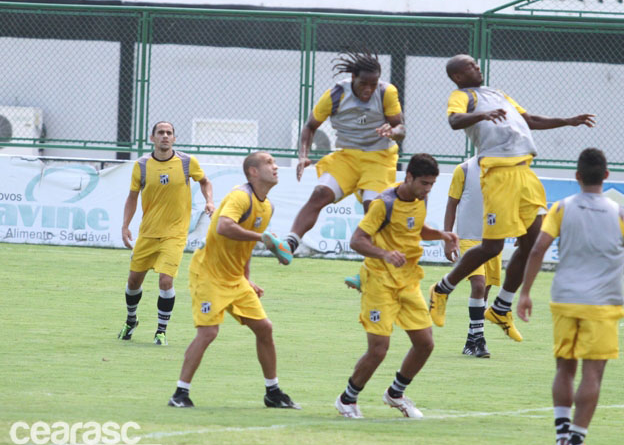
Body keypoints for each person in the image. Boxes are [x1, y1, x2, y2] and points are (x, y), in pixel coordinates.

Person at [428, 54, 595, 344]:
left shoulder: (498, 93)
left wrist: (567, 121)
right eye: (470, 65)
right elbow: (454, 121)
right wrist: (481, 115)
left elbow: (529, 120)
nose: (477, 67)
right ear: (457, 75)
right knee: (492, 247)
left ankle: (502, 308)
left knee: (536, 241)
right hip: (499, 173)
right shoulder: (461, 96)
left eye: (476, 64)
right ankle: (442, 289)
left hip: (525, 172)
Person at [516, 148, 624, 445]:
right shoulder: (621, 214)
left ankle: (562, 437)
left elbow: (537, 250)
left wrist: (525, 292)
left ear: (576, 176)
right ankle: (576, 441)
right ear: (606, 175)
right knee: (593, 373)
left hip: (565, 299)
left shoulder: (561, 208)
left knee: (564, 367)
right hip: (602, 304)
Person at [168, 151, 300, 409]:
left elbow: (245, 246)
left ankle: (272, 392)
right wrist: (261, 238)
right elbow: (224, 227)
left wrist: (246, 279)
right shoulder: (241, 196)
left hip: (234, 278)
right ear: (253, 171)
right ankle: (180, 394)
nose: (276, 167)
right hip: (208, 275)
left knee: (265, 328)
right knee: (208, 333)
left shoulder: (267, 206)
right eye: (270, 163)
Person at [334, 154, 458, 419]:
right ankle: (347, 399)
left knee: (425, 343)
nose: (428, 190)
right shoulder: (383, 204)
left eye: (432, 185)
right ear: (409, 177)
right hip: (379, 281)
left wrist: (442, 235)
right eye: (424, 183)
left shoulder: (419, 199)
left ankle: (395, 393)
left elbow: (415, 229)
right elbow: (357, 241)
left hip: (408, 281)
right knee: (379, 349)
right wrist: (385, 253)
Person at [283, 51, 406, 291]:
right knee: (320, 193)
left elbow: (400, 127)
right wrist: (302, 156)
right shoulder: (336, 94)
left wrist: (393, 132)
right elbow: (310, 127)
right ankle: (289, 244)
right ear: (353, 78)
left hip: (379, 158)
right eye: (363, 84)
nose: (369, 89)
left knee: (374, 210)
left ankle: (370, 271)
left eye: (373, 83)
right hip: (347, 156)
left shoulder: (386, 92)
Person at [119, 121, 214, 346]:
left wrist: (209, 200)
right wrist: (125, 226)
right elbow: (132, 196)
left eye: (169, 133)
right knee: (134, 281)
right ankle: (131, 320)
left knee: (165, 281)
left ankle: (161, 331)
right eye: (160, 133)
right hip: (148, 233)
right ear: (152, 138)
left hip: (175, 234)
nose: (165, 136)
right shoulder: (141, 165)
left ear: (174, 138)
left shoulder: (186, 163)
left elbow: (205, 181)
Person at [442, 156, 502, 358]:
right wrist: (448, 236)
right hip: (468, 239)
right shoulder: (465, 169)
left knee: (484, 291)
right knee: (478, 284)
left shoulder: (504, 169)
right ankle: (480, 341)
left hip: (494, 239)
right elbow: (452, 204)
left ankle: (470, 341)